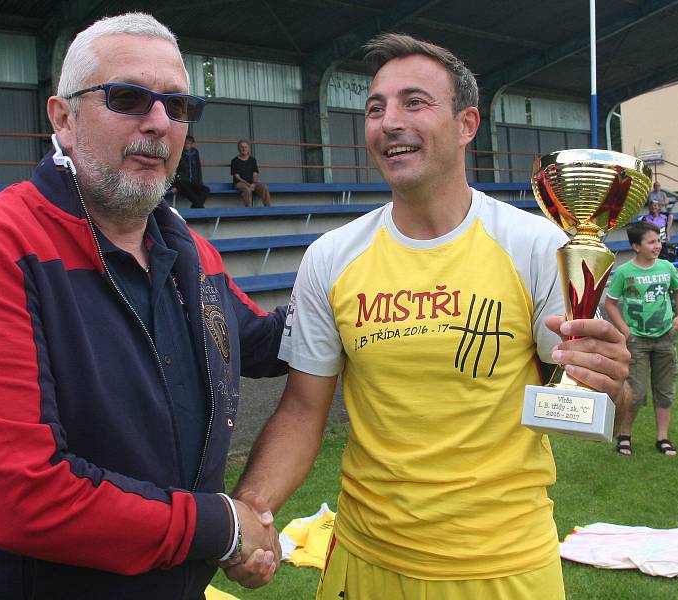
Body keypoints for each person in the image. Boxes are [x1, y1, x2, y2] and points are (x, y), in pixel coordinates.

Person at [226, 33, 632, 598]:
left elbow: (587, 390)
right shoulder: (332, 257)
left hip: (504, 568)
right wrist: (250, 509)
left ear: (467, 125)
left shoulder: (536, 246)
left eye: (414, 102)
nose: (389, 121)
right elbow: (301, 409)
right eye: (375, 108)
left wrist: (608, 378)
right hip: (365, 563)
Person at [0, 13, 285, 600]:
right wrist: (220, 526)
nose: (160, 122)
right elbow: (25, 497)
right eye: (129, 98)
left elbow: (262, 340)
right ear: (63, 119)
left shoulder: (189, 250)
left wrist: (365, 279)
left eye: (178, 105)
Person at [605, 221, 678, 457]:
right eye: (652, 242)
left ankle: (663, 437)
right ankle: (625, 435)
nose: (658, 245)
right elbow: (611, 303)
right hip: (637, 341)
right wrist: (624, 329)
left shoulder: (667, 268)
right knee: (636, 392)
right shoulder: (624, 272)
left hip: (665, 338)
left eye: (658, 240)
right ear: (636, 246)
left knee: (665, 389)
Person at [230, 140, 271, 207]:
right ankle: (249, 212)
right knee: (247, 189)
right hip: (239, 183)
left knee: (264, 187)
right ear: (238, 148)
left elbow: (255, 174)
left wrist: (254, 184)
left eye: (246, 147)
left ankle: (269, 210)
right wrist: (249, 185)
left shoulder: (252, 160)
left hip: (252, 183)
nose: (244, 149)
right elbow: (237, 177)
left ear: (248, 148)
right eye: (242, 147)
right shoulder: (234, 161)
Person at [173, 135, 210, 208]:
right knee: (190, 192)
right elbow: (174, 170)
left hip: (193, 182)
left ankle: (196, 207)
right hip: (182, 182)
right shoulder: (178, 152)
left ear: (192, 144)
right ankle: (201, 209)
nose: (186, 145)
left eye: (189, 143)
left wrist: (199, 182)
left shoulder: (195, 152)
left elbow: (198, 168)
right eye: (185, 143)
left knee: (206, 190)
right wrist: (174, 185)